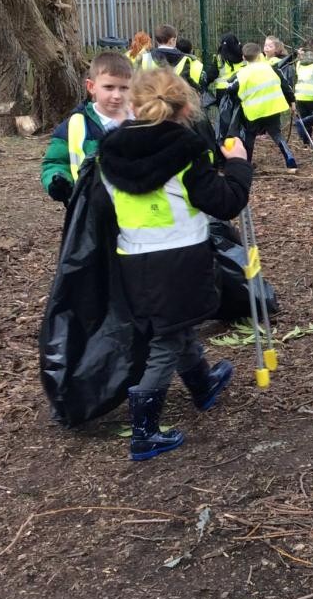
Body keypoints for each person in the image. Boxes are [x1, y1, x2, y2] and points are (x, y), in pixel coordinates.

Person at [96, 68, 253, 460]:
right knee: (165, 339)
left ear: (134, 103)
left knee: (175, 324)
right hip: (180, 258)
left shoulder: (109, 152)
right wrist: (237, 164)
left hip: (133, 258)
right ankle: (144, 431)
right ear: (184, 107)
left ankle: (202, 384)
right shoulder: (186, 152)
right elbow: (225, 201)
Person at [40, 52, 133, 203]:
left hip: (137, 211)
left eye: (124, 88)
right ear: (91, 87)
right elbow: (55, 162)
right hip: (90, 208)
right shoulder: (75, 125)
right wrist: (58, 181)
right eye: (109, 87)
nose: (117, 95)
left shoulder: (143, 121)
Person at [225, 42, 299, 171]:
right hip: (273, 108)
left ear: (243, 57)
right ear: (260, 55)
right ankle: (289, 158)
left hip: (254, 111)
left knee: (250, 137)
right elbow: (285, 86)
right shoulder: (271, 68)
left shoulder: (242, 73)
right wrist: (292, 102)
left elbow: (231, 89)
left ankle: (247, 165)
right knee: (276, 134)